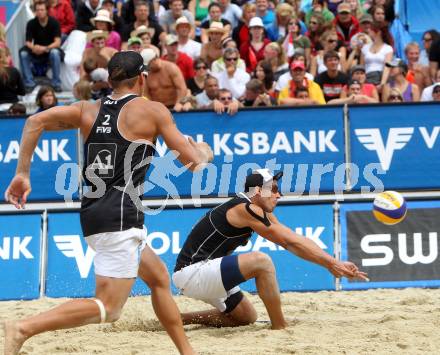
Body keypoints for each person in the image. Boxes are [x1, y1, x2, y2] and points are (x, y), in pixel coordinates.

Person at [3, 50, 214, 355]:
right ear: (141, 78)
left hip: (94, 214)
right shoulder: (153, 111)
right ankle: (23, 328)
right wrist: (203, 151)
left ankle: (186, 350)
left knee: (158, 278)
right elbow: (194, 164)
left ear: (111, 79)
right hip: (120, 218)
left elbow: (34, 121)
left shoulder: (88, 109)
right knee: (109, 307)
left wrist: (23, 173)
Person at [172, 169, 368, 329]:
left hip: (207, 271)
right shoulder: (245, 208)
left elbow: (293, 239)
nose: (278, 194)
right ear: (257, 191)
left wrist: (333, 262)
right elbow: (288, 242)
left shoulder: (255, 208)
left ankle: (179, 319)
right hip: (193, 273)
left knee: (245, 317)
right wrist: (332, 264)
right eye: (273, 189)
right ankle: (279, 325)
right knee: (262, 262)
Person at [19, 0, 63, 93]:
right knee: (23, 53)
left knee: (55, 52)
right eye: (38, 10)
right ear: (35, 11)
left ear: (47, 10)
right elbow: (28, 42)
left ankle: (56, 83)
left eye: (42, 10)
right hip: (36, 51)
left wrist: (45, 48)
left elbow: (57, 42)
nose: (40, 12)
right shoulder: (31, 23)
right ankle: (29, 83)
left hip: (49, 50)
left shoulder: (54, 22)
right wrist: (34, 48)